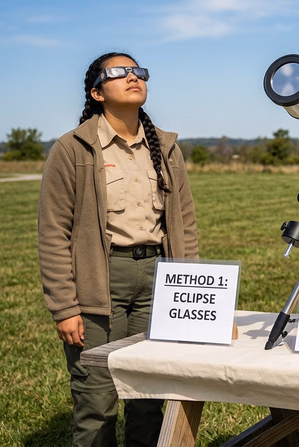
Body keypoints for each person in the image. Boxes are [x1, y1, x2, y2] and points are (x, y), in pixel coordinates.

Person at [38, 52, 199, 446]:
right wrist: (65, 307)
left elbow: (185, 225)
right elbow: (53, 233)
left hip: (159, 281)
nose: (132, 77)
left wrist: (190, 286)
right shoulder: (72, 149)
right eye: (119, 73)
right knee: (97, 400)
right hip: (100, 281)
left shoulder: (167, 148)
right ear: (96, 92)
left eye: (138, 71)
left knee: (149, 396)